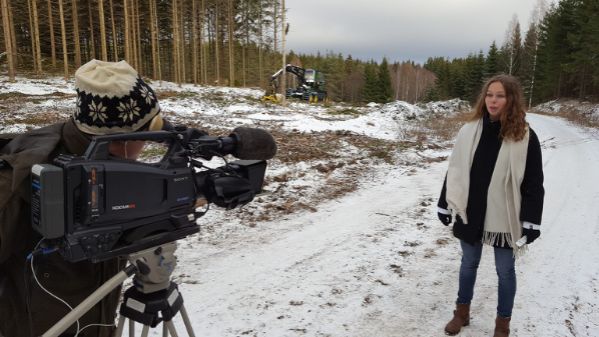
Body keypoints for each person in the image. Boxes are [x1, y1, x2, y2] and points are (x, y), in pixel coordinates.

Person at [0, 59, 165, 337]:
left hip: (96, 321)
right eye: (151, 131)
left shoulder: (99, 145)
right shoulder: (21, 178)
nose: (151, 143)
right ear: (123, 140)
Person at [437, 74, 544, 337]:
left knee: (505, 271)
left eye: (500, 96)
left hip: (505, 214)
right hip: (470, 209)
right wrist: (444, 203)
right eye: (489, 95)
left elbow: (533, 182)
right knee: (468, 264)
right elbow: (456, 169)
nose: (493, 101)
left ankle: (502, 324)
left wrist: (531, 220)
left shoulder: (525, 137)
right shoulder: (470, 130)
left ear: (511, 100)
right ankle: (461, 313)